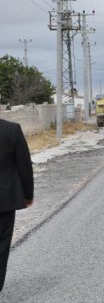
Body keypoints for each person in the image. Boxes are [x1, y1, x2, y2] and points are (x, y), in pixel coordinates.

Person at [0, 119, 34, 292]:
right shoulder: (11, 129)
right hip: (4, 200)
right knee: (1, 246)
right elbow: (24, 165)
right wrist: (28, 195)